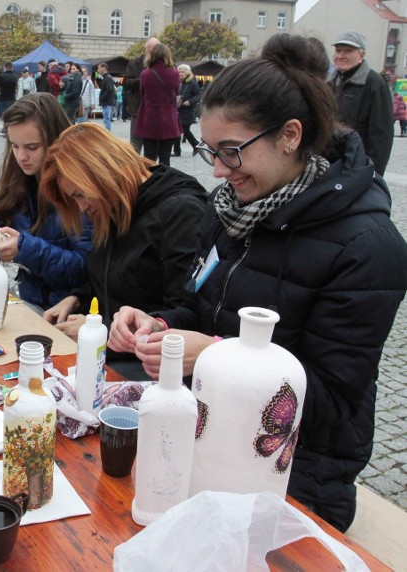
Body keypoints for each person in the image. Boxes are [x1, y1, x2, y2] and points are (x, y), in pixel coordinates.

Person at [109, 34, 407, 532]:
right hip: (205, 435)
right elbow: (195, 307)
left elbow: (331, 401)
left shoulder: (368, 246)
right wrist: (159, 324)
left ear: (290, 135)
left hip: (292, 468)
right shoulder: (228, 210)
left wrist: (214, 355)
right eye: (211, 152)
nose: (221, 172)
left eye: (232, 152)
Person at [40, 123, 206, 378]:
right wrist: (77, 298)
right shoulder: (114, 204)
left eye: (81, 194)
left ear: (103, 176)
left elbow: (184, 316)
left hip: (149, 370)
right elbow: (110, 278)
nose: (81, 207)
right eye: (74, 198)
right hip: (112, 354)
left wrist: (100, 331)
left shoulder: (180, 213)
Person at [0, 93, 92, 311]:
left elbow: (85, 268)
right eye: (15, 146)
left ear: (55, 142)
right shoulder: (18, 181)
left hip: (70, 311)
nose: (21, 156)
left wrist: (26, 248)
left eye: (32, 147)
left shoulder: (78, 190)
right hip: (29, 299)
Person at [328, 31, 394, 175]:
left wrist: (374, 173)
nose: (340, 56)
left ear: (361, 55)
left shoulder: (374, 83)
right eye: (338, 51)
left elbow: (381, 134)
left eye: (348, 51)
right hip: (330, 164)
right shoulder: (330, 82)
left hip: (358, 164)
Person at [134, 43, 181, 166]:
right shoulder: (174, 73)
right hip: (168, 118)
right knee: (165, 157)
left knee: (149, 157)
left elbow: (142, 92)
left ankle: (150, 182)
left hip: (149, 117)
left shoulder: (145, 74)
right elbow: (176, 91)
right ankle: (165, 182)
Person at [124, 36, 160, 154]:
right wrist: (144, 80)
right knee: (135, 146)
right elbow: (127, 83)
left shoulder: (162, 65)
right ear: (148, 49)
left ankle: (151, 171)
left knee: (152, 148)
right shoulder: (135, 64)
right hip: (137, 110)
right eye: (154, 49)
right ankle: (133, 170)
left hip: (155, 110)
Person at [173, 64, 202, 156]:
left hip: (187, 110)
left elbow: (199, 95)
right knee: (176, 131)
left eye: (183, 72)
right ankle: (177, 151)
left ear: (187, 73)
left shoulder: (192, 83)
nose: (181, 74)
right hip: (177, 109)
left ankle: (196, 144)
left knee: (185, 130)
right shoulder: (177, 82)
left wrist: (190, 101)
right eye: (179, 72)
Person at [0, 61, 18, 125]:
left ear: (5, 67)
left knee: (3, 116)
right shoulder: (15, 77)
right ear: (12, 67)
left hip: (3, 98)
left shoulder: (1, 77)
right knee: (11, 116)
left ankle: (5, 128)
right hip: (12, 98)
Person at [98, 63, 116, 130]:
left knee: (106, 120)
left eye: (99, 68)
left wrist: (102, 98)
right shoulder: (107, 77)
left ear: (104, 68)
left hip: (107, 102)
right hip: (107, 102)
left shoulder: (107, 78)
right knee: (106, 120)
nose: (98, 70)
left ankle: (108, 134)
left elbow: (110, 90)